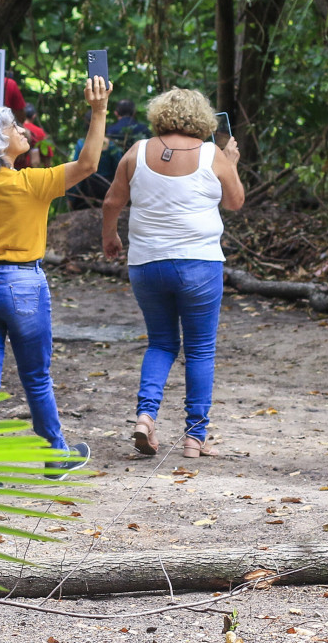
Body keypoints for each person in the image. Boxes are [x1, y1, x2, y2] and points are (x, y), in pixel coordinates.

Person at [0, 75, 113, 477]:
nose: (22, 130)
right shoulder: (32, 184)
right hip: (23, 287)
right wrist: (98, 111)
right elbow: (89, 164)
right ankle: (56, 454)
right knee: (35, 376)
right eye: (13, 128)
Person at [100, 88, 245, 460]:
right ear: (202, 118)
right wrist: (231, 162)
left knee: (161, 343)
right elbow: (234, 202)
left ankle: (145, 417)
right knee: (199, 351)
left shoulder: (137, 151)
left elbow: (112, 201)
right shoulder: (213, 154)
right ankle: (195, 438)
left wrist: (110, 236)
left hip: (147, 264)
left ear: (160, 114)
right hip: (199, 265)